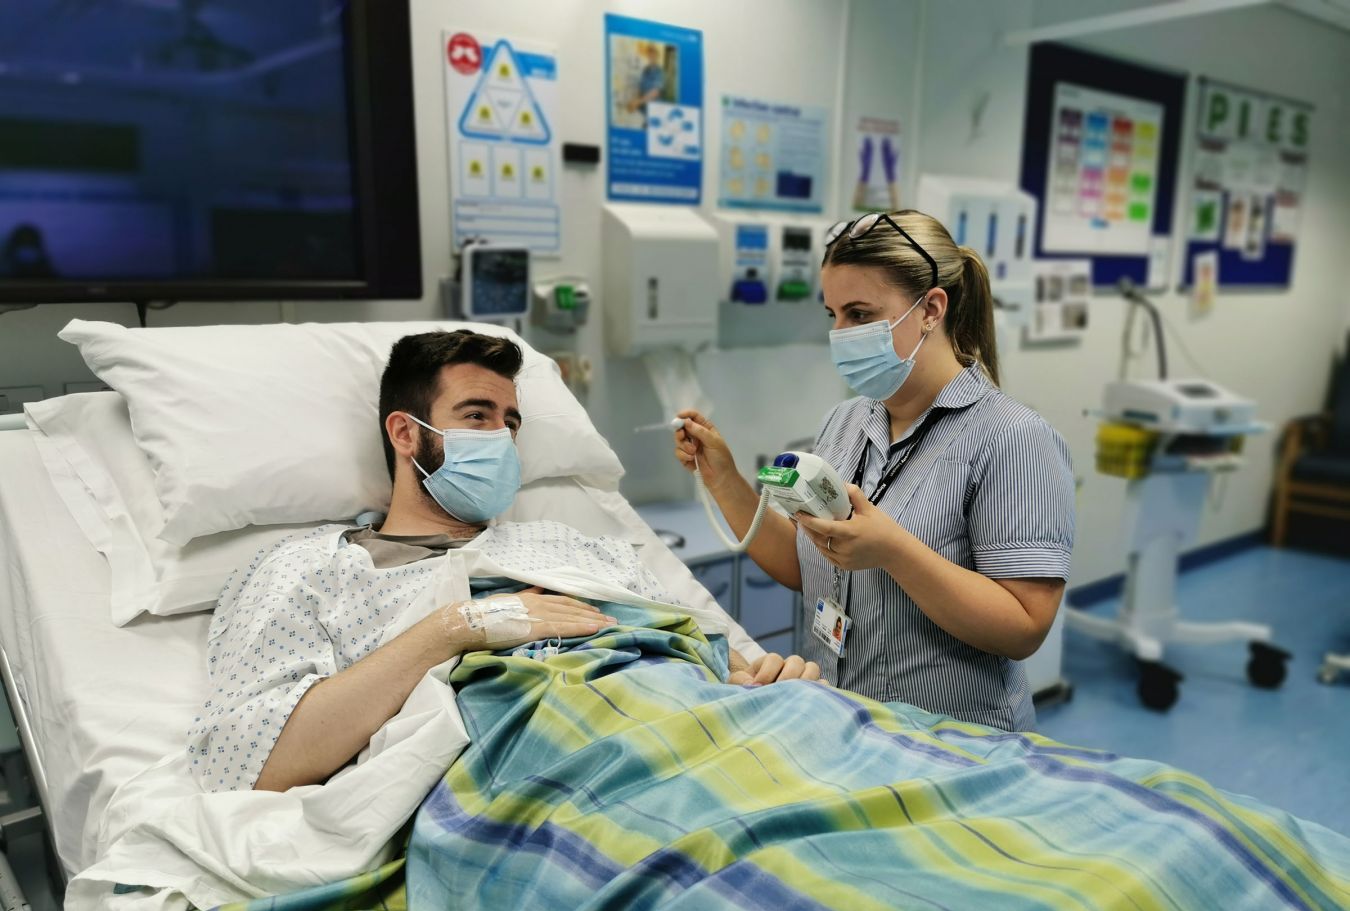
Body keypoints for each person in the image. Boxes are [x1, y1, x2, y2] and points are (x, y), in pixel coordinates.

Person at [189, 330, 818, 794]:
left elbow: (710, 658)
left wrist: (764, 683)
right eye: (476, 416)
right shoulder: (311, 570)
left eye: (509, 423)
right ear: (406, 434)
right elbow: (248, 761)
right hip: (545, 779)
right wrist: (458, 629)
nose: (500, 437)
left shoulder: (573, 547)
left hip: (698, 739)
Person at [674, 211, 1074, 732]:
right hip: (839, 723)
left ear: (931, 309)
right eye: (833, 315)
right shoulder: (844, 422)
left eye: (860, 314)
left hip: (953, 743)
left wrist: (892, 550)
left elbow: (1025, 626)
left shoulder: (1013, 438)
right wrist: (723, 478)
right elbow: (806, 566)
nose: (840, 334)